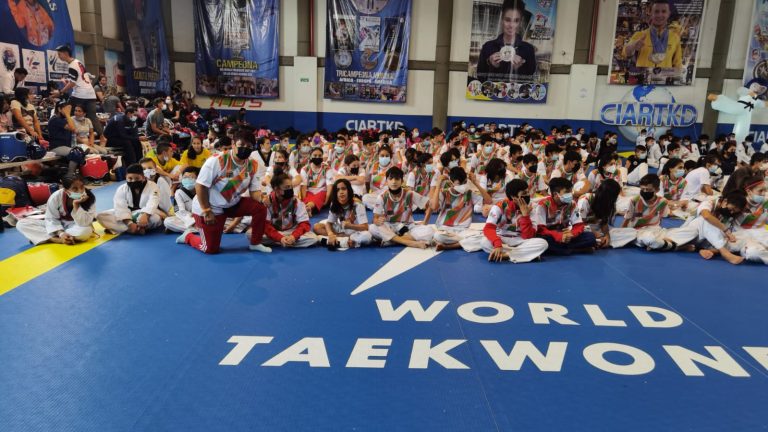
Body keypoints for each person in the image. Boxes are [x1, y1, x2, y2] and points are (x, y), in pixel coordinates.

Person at [176, 130, 271, 254]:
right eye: (241, 145)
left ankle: (255, 243)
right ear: (233, 144)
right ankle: (188, 236)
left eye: (249, 147)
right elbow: (200, 186)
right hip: (210, 207)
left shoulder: (253, 164)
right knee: (210, 249)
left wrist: (262, 198)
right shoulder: (217, 160)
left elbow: (254, 192)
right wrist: (206, 210)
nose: (245, 149)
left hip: (232, 204)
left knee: (260, 208)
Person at [481, 178, 549, 262]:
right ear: (513, 196)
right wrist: (497, 244)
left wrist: (525, 216)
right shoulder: (500, 206)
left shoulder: (532, 207)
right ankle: (523, 254)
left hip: (520, 240)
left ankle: (506, 255)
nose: (527, 195)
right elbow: (488, 228)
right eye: (524, 193)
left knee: (543, 244)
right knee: (484, 242)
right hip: (502, 238)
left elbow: (528, 236)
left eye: (528, 192)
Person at [16, 175, 96, 245]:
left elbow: (84, 223)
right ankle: (57, 239)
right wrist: (61, 233)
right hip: (57, 224)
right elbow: (50, 218)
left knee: (85, 231)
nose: (80, 191)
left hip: (75, 225)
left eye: (82, 187)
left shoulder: (90, 198)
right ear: (66, 190)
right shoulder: (56, 197)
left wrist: (76, 204)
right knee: (21, 224)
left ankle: (45, 237)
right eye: (75, 189)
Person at [369, 167, 434, 249]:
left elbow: (430, 204)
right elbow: (375, 219)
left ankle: (392, 241)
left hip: (408, 227)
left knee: (429, 231)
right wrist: (377, 221)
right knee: (372, 228)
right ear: (386, 181)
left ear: (402, 181)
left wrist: (425, 221)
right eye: (391, 179)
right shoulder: (381, 197)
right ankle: (409, 242)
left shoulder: (410, 194)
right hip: (390, 226)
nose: (394, 181)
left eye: (397, 179)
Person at [531, 177, 597, 255]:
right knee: (543, 240)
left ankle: (562, 250)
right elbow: (541, 229)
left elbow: (579, 225)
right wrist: (559, 236)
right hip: (551, 236)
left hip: (566, 235)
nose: (570, 194)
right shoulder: (543, 205)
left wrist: (572, 234)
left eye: (570, 191)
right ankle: (574, 250)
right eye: (567, 192)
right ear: (556, 194)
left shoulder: (572, 204)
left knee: (590, 237)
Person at [429, 167, 489, 252]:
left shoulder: (469, 193)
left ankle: (449, 246)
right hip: (445, 229)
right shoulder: (444, 192)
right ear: (451, 182)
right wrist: (438, 185)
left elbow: (489, 201)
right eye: (459, 184)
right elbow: (434, 207)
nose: (462, 186)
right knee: (438, 236)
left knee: (484, 238)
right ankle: (463, 242)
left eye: (464, 182)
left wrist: (475, 183)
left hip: (463, 230)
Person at [476, 0, 536, 81]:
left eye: (516, 21)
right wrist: (491, 65)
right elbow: (480, 78)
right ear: (502, 20)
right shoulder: (488, 47)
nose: (511, 25)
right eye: (507, 20)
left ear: (521, 22)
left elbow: (531, 80)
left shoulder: (528, 49)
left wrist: (518, 69)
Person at [97, 164, 164, 235]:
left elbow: (153, 202)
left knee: (155, 219)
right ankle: (137, 228)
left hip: (143, 213)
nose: (133, 181)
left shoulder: (152, 186)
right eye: (130, 178)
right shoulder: (122, 188)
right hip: (128, 214)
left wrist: (145, 215)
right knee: (101, 216)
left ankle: (126, 229)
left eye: (137, 178)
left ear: (143, 177)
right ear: (126, 177)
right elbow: (120, 207)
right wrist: (129, 223)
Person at [262, 172, 318, 248]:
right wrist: (279, 237)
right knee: (251, 234)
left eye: (291, 187)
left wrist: (294, 236)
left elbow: (304, 224)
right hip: (275, 231)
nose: (290, 189)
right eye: (287, 187)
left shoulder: (296, 202)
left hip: (291, 231)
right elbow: (265, 225)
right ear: (277, 189)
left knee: (313, 238)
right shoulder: (268, 202)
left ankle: (285, 241)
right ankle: (285, 241)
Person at [56, 45, 103, 136]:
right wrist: (67, 82)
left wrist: (61, 92)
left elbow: (73, 84)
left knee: (65, 112)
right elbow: (78, 80)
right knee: (92, 117)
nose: (59, 56)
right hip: (90, 94)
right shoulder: (78, 62)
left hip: (80, 95)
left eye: (59, 54)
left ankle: (68, 136)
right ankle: (102, 137)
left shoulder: (72, 66)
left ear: (66, 54)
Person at [622, 0, 682, 69]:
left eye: (664, 11)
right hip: (643, 78)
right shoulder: (640, 35)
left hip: (664, 79)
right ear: (651, 13)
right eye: (656, 11)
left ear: (668, 14)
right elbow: (625, 53)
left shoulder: (675, 38)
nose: (660, 15)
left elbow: (678, 64)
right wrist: (633, 46)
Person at [313, 179, 372, 250]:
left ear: (349, 190)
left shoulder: (358, 204)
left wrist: (351, 226)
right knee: (317, 227)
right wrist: (330, 234)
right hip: (340, 229)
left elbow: (365, 227)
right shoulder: (334, 203)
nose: (341, 192)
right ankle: (341, 238)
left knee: (367, 236)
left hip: (355, 231)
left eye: (343, 189)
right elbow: (329, 223)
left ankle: (339, 240)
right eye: (338, 190)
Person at [164, 167, 198, 233]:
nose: (187, 179)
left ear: (197, 178)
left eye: (191, 177)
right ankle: (198, 229)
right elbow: (179, 211)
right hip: (188, 218)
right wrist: (192, 221)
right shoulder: (178, 192)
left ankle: (184, 229)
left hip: (202, 218)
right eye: (185, 177)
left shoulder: (204, 190)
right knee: (167, 221)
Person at [300, 147, 333, 215]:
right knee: (308, 198)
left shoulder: (327, 168)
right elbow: (304, 186)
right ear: (310, 156)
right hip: (309, 191)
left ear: (322, 156)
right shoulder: (305, 169)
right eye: (315, 155)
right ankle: (308, 207)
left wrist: (327, 200)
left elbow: (329, 186)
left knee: (319, 197)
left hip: (322, 191)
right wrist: (304, 199)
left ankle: (307, 208)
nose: (317, 157)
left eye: (320, 155)